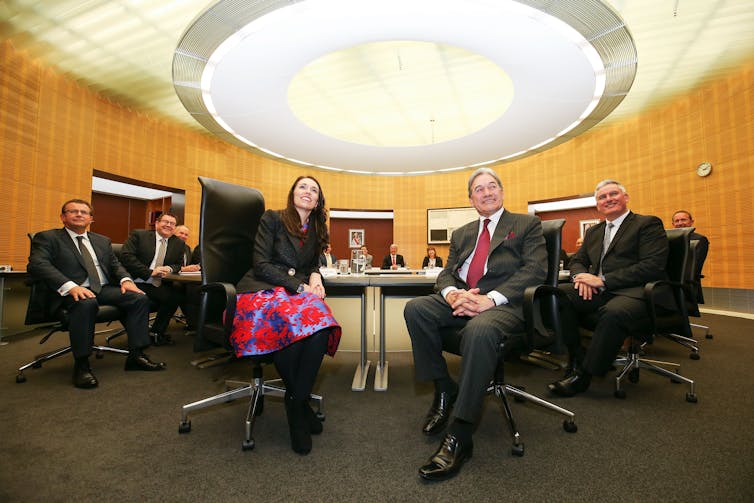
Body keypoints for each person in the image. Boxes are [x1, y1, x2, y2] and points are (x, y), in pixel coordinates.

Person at [403, 168, 547, 481]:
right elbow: (446, 273)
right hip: (464, 297)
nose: (486, 193)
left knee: (479, 330)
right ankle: (444, 388)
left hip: (505, 303)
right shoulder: (462, 233)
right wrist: (453, 294)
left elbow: (535, 271)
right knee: (416, 309)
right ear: (471, 199)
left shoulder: (526, 224)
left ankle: (461, 433)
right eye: (478, 189)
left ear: (502, 191)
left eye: (491, 186)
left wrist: (490, 298)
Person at [232, 175, 342, 455]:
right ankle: (299, 407)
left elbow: (313, 261)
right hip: (261, 289)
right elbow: (260, 264)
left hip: (294, 293)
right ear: (293, 193)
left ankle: (295, 400)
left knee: (321, 321)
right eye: (302, 187)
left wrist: (316, 276)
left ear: (318, 201)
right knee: (289, 321)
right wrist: (300, 285)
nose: (308, 192)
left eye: (314, 189)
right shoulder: (273, 218)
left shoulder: (316, 228)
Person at [548, 180, 669, 397]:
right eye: (602, 197)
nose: (608, 199)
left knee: (614, 313)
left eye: (613, 194)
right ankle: (576, 357)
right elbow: (578, 260)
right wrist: (580, 277)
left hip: (636, 291)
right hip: (600, 290)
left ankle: (583, 376)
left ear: (626, 197)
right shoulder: (594, 232)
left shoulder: (647, 224)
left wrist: (603, 281)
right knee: (557, 295)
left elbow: (652, 266)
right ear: (597, 205)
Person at [27, 199, 166, 389]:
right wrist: (70, 286)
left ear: (91, 219)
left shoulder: (102, 240)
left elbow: (115, 266)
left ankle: (136, 356)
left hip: (102, 288)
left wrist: (126, 281)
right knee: (86, 303)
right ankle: (82, 365)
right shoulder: (48, 238)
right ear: (62, 217)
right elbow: (38, 264)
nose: (79, 214)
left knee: (139, 298)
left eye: (84, 212)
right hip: (70, 291)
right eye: (73, 211)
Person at [120, 213, 185, 346]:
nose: (168, 225)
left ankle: (156, 332)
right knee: (143, 301)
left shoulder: (178, 243)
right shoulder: (139, 235)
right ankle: (140, 334)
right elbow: (126, 257)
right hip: (136, 281)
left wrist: (169, 268)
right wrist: (149, 272)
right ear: (156, 223)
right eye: (165, 222)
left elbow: (178, 264)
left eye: (172, 224)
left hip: (158, 283)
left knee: (176, 295)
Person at [174, 224, 201, 331]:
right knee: (184, 288)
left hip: (183, 279)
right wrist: (183, 269)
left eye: (186, 235)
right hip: (168, 279)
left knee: (194, 287)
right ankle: (192, 322)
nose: (184, 236)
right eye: (181, 233)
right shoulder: (168, 246)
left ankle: (195, 321)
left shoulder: (187, 248)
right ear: (174, 233)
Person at [671, 210, 709, 283]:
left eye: (683, 220)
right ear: (673, 224)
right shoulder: (670, 239)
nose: (680, 223)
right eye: (677, 221)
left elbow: (695, 265)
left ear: (691, 222)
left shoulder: (700, 239)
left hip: (688, 281)